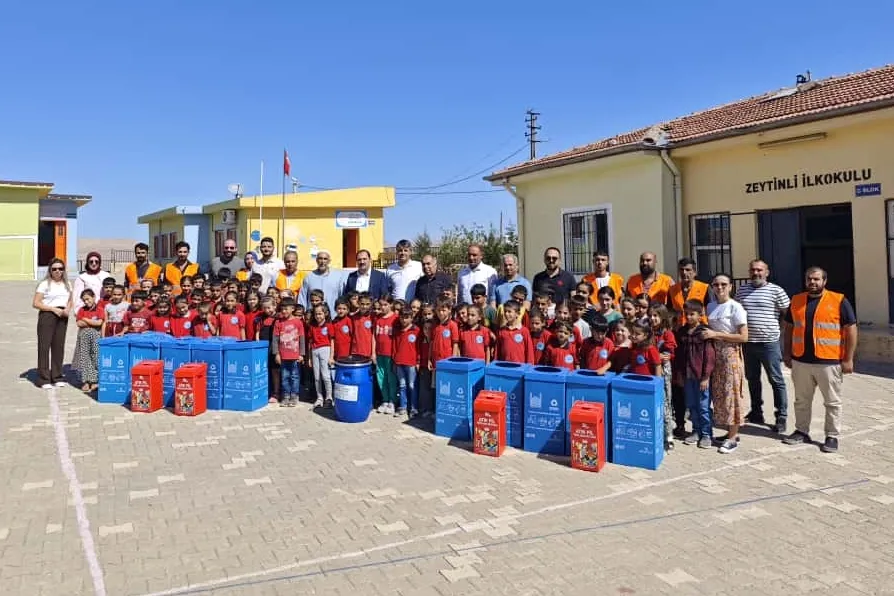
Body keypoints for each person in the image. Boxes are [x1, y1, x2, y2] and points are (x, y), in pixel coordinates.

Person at [782, 267, 857, 454]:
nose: (812, 282)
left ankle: (831, 435)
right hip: (801, 361)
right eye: (809, 279)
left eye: (816, 279)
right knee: (801, 400)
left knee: (832, 401)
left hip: (829, 361)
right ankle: (801, 431)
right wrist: (787, 354)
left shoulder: (839, 300)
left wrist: (848, 359)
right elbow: (789, 328)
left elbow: (851, 330)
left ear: (824, 281)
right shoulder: (796, 300)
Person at [736, 259, 791, 433]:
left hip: (769, 344)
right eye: (753, 270)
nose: (756, 273)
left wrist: (780, 330)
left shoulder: (776, 290)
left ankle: (781, 416)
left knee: (776, 379)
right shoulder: (742, 290)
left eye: (760, 270)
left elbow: (787, 314)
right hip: (748, 343)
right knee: (752, 378)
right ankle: (756, 412)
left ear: (767, 272)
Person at [702, 274, 749, 454]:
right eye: (716, 284)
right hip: (715, 353)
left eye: (723, 284)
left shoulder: (736, 307)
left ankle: (733, 437)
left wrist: (716, 335)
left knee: (732, 394)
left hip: (730, 354)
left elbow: (743, 336)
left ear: (730, 286)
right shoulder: (710, 306)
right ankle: (730, 432)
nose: (720, 287)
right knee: (720, 394)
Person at [674, 300, 717, 449]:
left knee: (703, 406)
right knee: (691, 405)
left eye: (692, 314)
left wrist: (706, 376)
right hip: (688, 376)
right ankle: (696, 431)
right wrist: (680, 375)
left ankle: (706, 434)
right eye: (686, 314)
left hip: (701, 377)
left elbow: (709, 356)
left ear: (700, 315)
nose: (689, 317)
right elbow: (679, 356)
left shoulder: (704, 332)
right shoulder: (682, 332)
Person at [33, 258, 72, 388]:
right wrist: (53, 309)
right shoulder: (45, 284)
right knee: (44, 347)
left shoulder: (67, 284)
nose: (57, 271)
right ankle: (43, 378)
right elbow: (36, 303)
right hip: (48, 315)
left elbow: (70, 300)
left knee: (58, 346)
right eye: (54, 269)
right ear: (50, 270)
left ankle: (57, 376)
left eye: (60, 269)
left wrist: (67, 309)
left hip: (62, 316)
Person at [649, 303, 677, 451]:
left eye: (656, 315)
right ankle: (656, 433)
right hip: (649, 369)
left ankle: (669, 436)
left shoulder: (667, 333)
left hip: (663, 371)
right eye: (650, 315)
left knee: (665, 401)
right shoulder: (648, 331)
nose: (652, 318)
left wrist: (660, 356)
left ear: (663, 317)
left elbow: (668, 354)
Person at [272, 297, 305, 407]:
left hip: (295, 356)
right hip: (283, 356)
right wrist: (276, 354)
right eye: (282, 309)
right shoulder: (278, 322)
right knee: (285, 377)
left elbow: (302, 339)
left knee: (295, 376)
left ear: (292, 309)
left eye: (286, 309)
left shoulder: (298, 322)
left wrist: (301, 354)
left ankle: (294, 396)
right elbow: (275, 339)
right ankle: (286, 396)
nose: (284, 311)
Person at [72, 288, 103, 393]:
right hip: (83, 338)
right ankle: (86, 381)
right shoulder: (82, 310)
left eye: (88, 299)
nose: (86, 302)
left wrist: (85, 319)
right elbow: (79, 323)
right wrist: (91, 322)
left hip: (96, 337)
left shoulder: (99, 309)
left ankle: (95, 381)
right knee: (84, 358)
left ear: (94, 297)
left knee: (95, 357)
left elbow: (99, 323)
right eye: (84, 300)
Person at [392, 308, 421, 418]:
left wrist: (418, 361)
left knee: (412, 386)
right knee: (402, 386)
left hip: (411, 363)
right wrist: (394, 360)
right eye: (402, 317)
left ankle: (413, 408)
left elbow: (419, 348)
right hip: (399, 362)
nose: (404, 320)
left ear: (412, 318)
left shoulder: (416, 330)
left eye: (407, 317)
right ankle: (403, 407)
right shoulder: (398, 331)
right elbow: (395, 347)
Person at [374, 296, 399, 415]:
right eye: (381, 305)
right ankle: (385, 400)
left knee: (391, 378)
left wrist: (396, 354)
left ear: (391, 304)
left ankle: (392, 401)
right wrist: (373, 353)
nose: (383, 307)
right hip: (379, 354)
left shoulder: (396, 319)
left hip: (390, 354)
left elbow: (398, 338)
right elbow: (374, 337)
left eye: (385, 305)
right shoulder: (378, 319)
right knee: (381, 378)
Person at [308, 303, 335, 409]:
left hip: (325, 349)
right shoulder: (312, 326)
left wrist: (331, 357)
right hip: (314, 351)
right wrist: (309, 358)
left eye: (320, 314)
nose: (318, 316)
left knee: (326, 376)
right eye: (316, 314)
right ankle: (319, 398)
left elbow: (332, 341)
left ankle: (329, 398)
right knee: (317, 377)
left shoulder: (329, 325)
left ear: (325, 314)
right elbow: (310, 342)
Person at [668, 258, 710, 325]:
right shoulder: (672, 289)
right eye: (681, 269)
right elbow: (669, 310)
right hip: (679, 327)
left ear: (694, 272)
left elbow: (710, 309)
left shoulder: (704, 288)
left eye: (687, 270)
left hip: (699, 326)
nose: (684, 272)